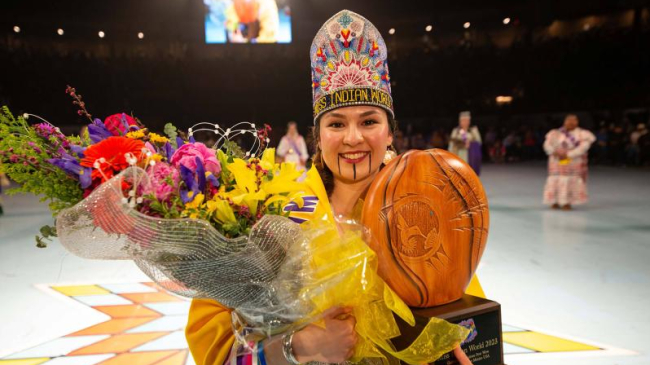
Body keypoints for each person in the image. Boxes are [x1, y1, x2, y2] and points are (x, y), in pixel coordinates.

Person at [186, 10, 477, 365]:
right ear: (318, 137)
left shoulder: (427, 205)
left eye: (369, 121)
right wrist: (296, 349)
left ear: (389, 133)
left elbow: (464, 312)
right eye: (336, 124)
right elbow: (211, 341)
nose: (353, 138)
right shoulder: (269, 211)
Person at [543, 114, 596, 210]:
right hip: (556, 161)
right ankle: (554, 201)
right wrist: (553, 152)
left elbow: (583, 147)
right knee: (555, 179)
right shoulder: (555, 133)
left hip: (573, 162)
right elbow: (547, 145)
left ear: (577, 122)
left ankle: (566, 202)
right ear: (564, 121)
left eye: (574, 120)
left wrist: (569, 155)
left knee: (569, 180)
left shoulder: (582, 134)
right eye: (568, 120)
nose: (571, 122)